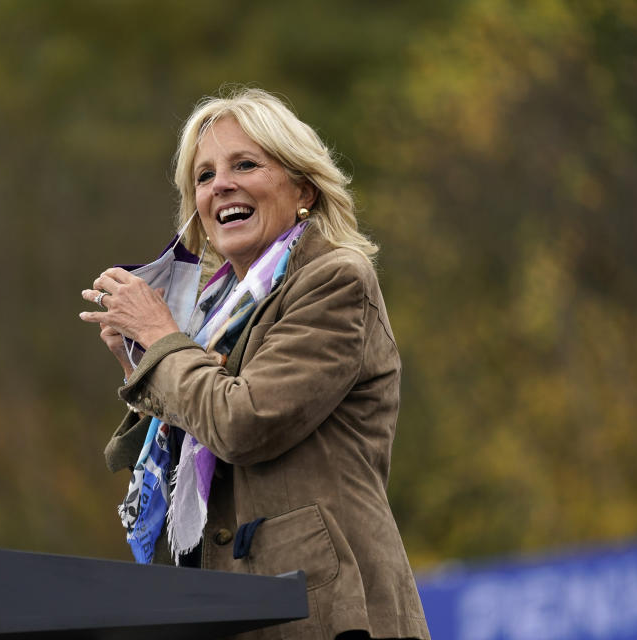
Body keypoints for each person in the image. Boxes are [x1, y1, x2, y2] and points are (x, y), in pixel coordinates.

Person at [79, 87, 429, 640]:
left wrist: (162, 339)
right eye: (204, 175)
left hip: (330, 615)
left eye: (245, 164)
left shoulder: (333, 279)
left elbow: (242, 423)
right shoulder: (211, 317)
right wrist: (141, 363)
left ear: (303, 188)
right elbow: (195, 463)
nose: (221, 184)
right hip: (237, 612)